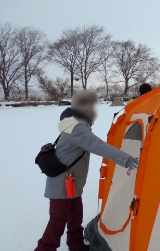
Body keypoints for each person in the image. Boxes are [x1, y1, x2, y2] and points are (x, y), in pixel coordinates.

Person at [35, 90, 139, 251]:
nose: (93, 108)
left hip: (71, 183)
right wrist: (124, 159)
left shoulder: (75, 124)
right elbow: (98, 145)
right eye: (90, 104)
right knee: (57, 223)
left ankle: (76, 246)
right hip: (62, 184)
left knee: (75, 217)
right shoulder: (77, 128)